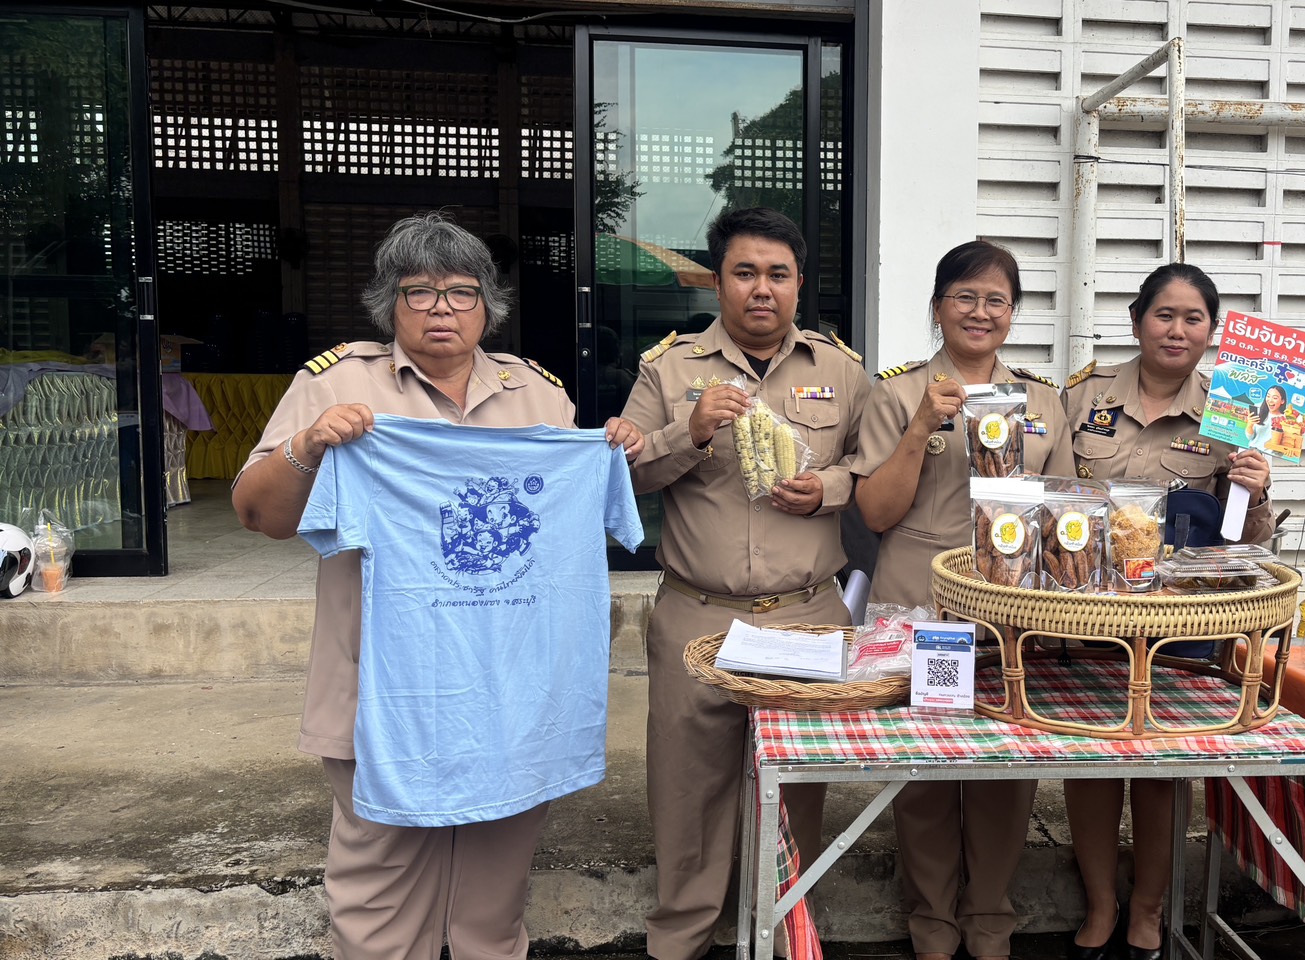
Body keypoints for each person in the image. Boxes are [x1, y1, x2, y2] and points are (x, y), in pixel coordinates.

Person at [231, 211, 644, 959]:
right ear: (390, 304)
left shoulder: (539, 397)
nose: (441, 309)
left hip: (511, 695)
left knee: (493, 904)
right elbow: (258, 513)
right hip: (382, 693)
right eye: (418, 293)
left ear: (489, 303)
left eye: (460, 291)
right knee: (378, 905)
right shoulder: (336, 385)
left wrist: (610, 451)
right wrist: (307, 445)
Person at [620, 206, 870, 960]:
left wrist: (826, 487)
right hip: (700, 613)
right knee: (688, 791)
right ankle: (682, 939)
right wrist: (687, 432)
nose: (762, 289)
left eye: (778, 274)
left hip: (807, 612)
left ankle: (777, 931)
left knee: (794, 796)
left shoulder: (841, 370)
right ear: (719, 280)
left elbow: (876, 469)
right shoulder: (667, 369)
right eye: (745, 272)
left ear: (799, 285)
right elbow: (623, 474)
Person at [851, 240, 1073, 960]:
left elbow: (1067, 513)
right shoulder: (896, 394)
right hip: (920, 603)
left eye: (997, 300)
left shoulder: (1043, 401)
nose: (981, 312)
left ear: (1014, 313)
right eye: (965, 297)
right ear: (938, 307)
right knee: (924, 774)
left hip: (1010, 610)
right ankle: (931, 927)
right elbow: (876, 514)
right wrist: (922, 424)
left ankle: (990, 925)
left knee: (1007, 769)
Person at [1059, 263, 1274, 960]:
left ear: (1211, 332)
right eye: (1164, 315)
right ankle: (1099, 905)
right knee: (1090, 765)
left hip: (1178, 625)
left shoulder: (1234, 412)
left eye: (1194, 318)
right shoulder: (1082, 397)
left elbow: (1246, 545)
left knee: (1159, 771)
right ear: (1136, 319)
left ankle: (1148, 911)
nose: (1177, 330)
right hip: (1086, 618)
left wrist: (1255, 490)